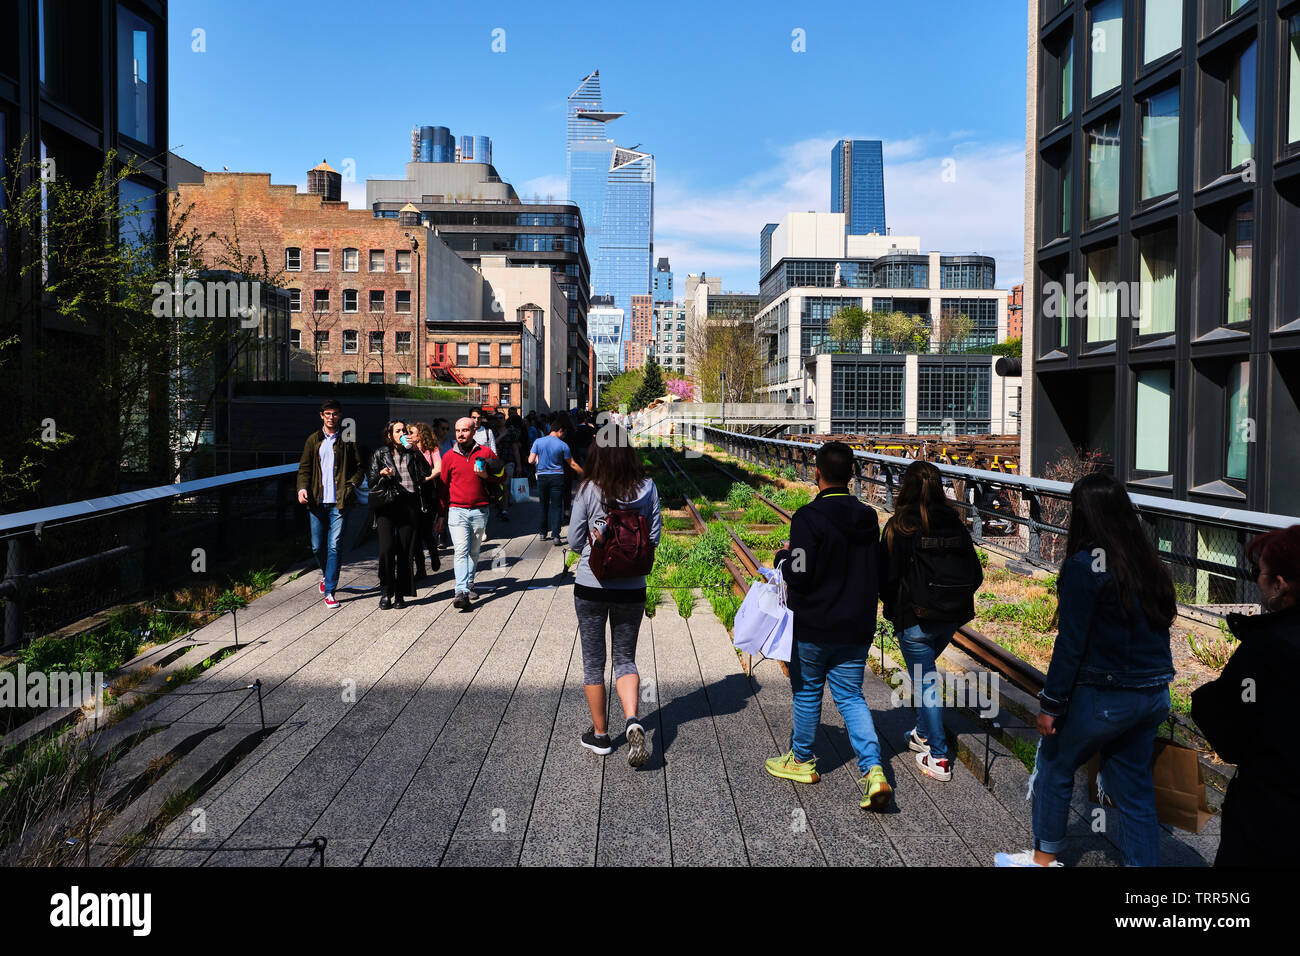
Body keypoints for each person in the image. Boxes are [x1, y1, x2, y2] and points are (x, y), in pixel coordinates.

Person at [995, 473, 1175, 868]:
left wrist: (1051, 705)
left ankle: (1043, 861)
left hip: (1104, 695)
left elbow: (1071, 644)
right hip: (1153, 694)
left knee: (1055, 766)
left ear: (1085, 514)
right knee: (1135, 791)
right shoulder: (1149, 565)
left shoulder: (1084, 566)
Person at [768, 441, 892, 811]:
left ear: (817, 473)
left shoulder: (808, 518)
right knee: (851, 697)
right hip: (856, 626)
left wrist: (783, 558)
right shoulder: (868, 517)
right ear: (852, 475)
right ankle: (874, 772)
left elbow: (800, 574)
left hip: (815, 626)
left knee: (807, 692)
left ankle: (801, 761)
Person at [1191, 525, 1300, 867]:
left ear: (1279, 586)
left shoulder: (1266, 648)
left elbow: (1229, 729)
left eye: (1259, 572)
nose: (1257, 580)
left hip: (1271, 815)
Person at [879, 460, 983, 782]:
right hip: (949, 619)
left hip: (914, 621)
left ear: (905, 487)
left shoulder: (899, 526)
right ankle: (923, 734)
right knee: (925, 679)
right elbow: (975, 574)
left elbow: (885, 578)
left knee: (926, 684)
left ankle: (938, 757)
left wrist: (893, 606)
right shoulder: (955, 522)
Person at [568, 424, 660, 765]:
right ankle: (633, 718)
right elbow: (654, 538)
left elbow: (575, 541)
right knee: (625, 658)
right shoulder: (648, 487)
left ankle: (602, 736)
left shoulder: (589, 488)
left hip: (591, 585)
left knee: (594, 662)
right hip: (632, 587)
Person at [297, 399, 363, 609]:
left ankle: (330, 591)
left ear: (340, 415)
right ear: (321, 415)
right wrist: (302, 488)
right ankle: (326, 574)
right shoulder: (312, 440)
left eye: (334, 413)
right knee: (317, 546)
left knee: (335, 545)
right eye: (327, 413)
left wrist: (352, 484)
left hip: (340, 502)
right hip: (317, 500)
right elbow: (304, 468)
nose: (331, 417)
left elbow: (360, 467)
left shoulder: (348, 439)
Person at [439, 416, 506, 610]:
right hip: (456, 510)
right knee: (461, 550)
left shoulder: (486, 453)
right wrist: (441, 515)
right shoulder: (449, 457)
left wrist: (487, 476)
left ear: (473, 431)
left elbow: (503, 478)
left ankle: (469, 583)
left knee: (474, 551)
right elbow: (443, 488)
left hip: (480, 510)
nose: (461, 434)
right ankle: (460, 591)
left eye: (465, 430)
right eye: (458, 430)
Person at [367, 420, 435, 610]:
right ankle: (385, 591)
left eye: (404, 430)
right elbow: (371, 482)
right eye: (398, 431)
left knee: (406, 551)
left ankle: (400, 594)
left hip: (409, 504)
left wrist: (416, 451)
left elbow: (426, 473)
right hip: (387, 505)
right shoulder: (380, 453)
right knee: (386, 550)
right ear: (389, 435)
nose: (402, 433)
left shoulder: (411, 452)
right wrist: (382, 474)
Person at [530, 415, 582, 544]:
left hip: (542, 476)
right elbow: (572, 464)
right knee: (557, 507)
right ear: (560, 430)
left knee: (543, 505)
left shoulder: (538, 441)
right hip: (557, 477)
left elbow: (530, 460)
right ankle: (556, 535)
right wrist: (585, 474)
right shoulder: (563, 445)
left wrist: (538, 459)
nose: (564, 435)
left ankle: (542, 533)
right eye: (564, 432)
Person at [411, 422, 444, 578]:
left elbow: (439, 468)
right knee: (415, 533)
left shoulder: (432, 449)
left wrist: (427, 478)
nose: (409, 434)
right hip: (412, 494)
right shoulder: (408, 450)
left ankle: (433, 553)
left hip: (428, 493)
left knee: (425, 531)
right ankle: (421, 569)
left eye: (412, 432)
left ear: (421, 434)